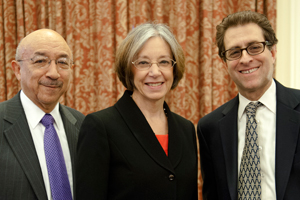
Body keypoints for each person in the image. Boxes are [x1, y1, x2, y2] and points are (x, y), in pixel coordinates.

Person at [76, 23, 198, 200]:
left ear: (174, 68)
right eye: (143, 63)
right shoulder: (101, 126)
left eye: (164, 62)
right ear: (128, 69)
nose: (155, 72)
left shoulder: (186, 129)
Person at [197, 10, 300, 200]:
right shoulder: (210, 128)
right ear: (224, 62)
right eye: (234, 52)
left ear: (273, 52)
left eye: (254, 47)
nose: (245, 59)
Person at [0, 29, 85, 200]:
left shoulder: (83, 125)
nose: (53, 73)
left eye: (62, 62)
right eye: (40, 61)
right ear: (17, 70)